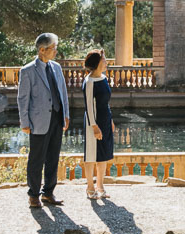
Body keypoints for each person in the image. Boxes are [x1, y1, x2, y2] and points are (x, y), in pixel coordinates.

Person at [17, 33, 70, 208]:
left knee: (53, 158)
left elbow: (63, 93)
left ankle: (48, 193)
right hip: (38, 121)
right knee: (36, 160)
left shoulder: (56, 68)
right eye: (53, 48)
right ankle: (33, 195)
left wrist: (66, 115)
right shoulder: (27, 71)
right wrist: (24, 122)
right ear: (42, 50)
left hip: (56, 118)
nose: (56, 51)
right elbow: (22, 99)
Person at [82, 49, 115, 200]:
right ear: (97, 63)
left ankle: (100, 186)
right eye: (104, 60)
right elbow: (89, 106)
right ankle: (90, 187)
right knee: (90, 156)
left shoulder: (103, 78)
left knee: (104, 155)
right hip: (93, 122)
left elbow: (106, 103)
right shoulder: (89, 82)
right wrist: (94, 127)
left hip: (105, 119)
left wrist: (111, 120)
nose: (106, 62)